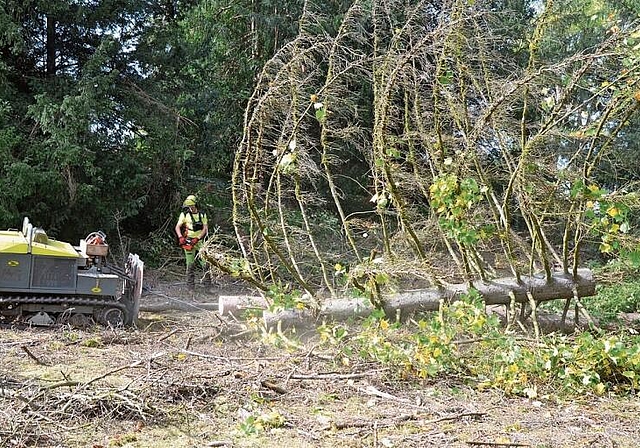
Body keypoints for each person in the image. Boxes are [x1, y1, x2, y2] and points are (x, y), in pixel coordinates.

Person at [175, 194, 210, 290]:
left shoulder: (202, 214)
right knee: (190, 265)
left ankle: (208, 286)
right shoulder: (184, 214)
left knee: (206, 264)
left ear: (195, 205)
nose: (190, 208)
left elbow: (205, 228)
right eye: (189, 206)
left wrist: (197, 238)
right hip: (188, 241)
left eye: (192, 206)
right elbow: (177, 227)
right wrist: (180, 237)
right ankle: (190, 287)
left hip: (200, 241)